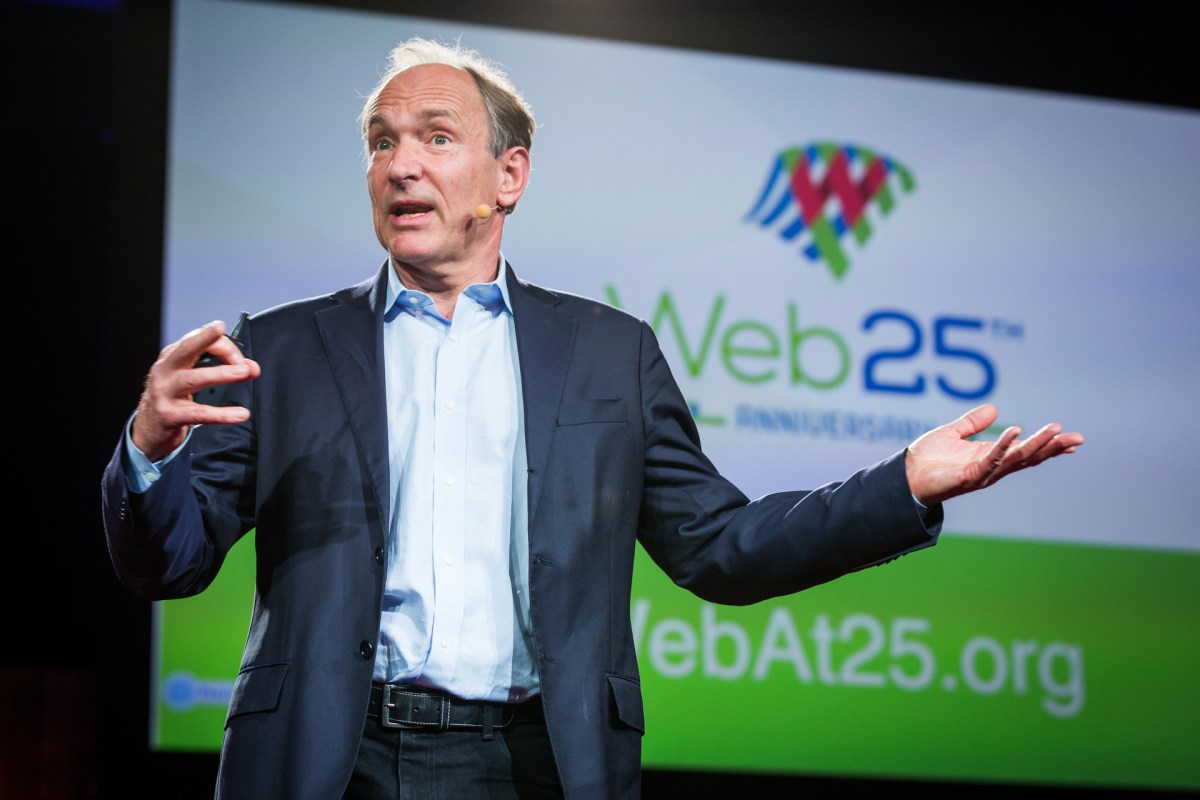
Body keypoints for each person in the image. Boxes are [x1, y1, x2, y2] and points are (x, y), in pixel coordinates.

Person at [101, 37, 1084, 800]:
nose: (402, 162)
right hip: (329, 756)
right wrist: (149, 448)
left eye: (437, 137)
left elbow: (720, 545)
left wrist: (901, 482)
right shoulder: (281, 348)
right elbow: (166, 563)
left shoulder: (609, 353)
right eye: (382, 142)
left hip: (538, 761)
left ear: (509, 177)